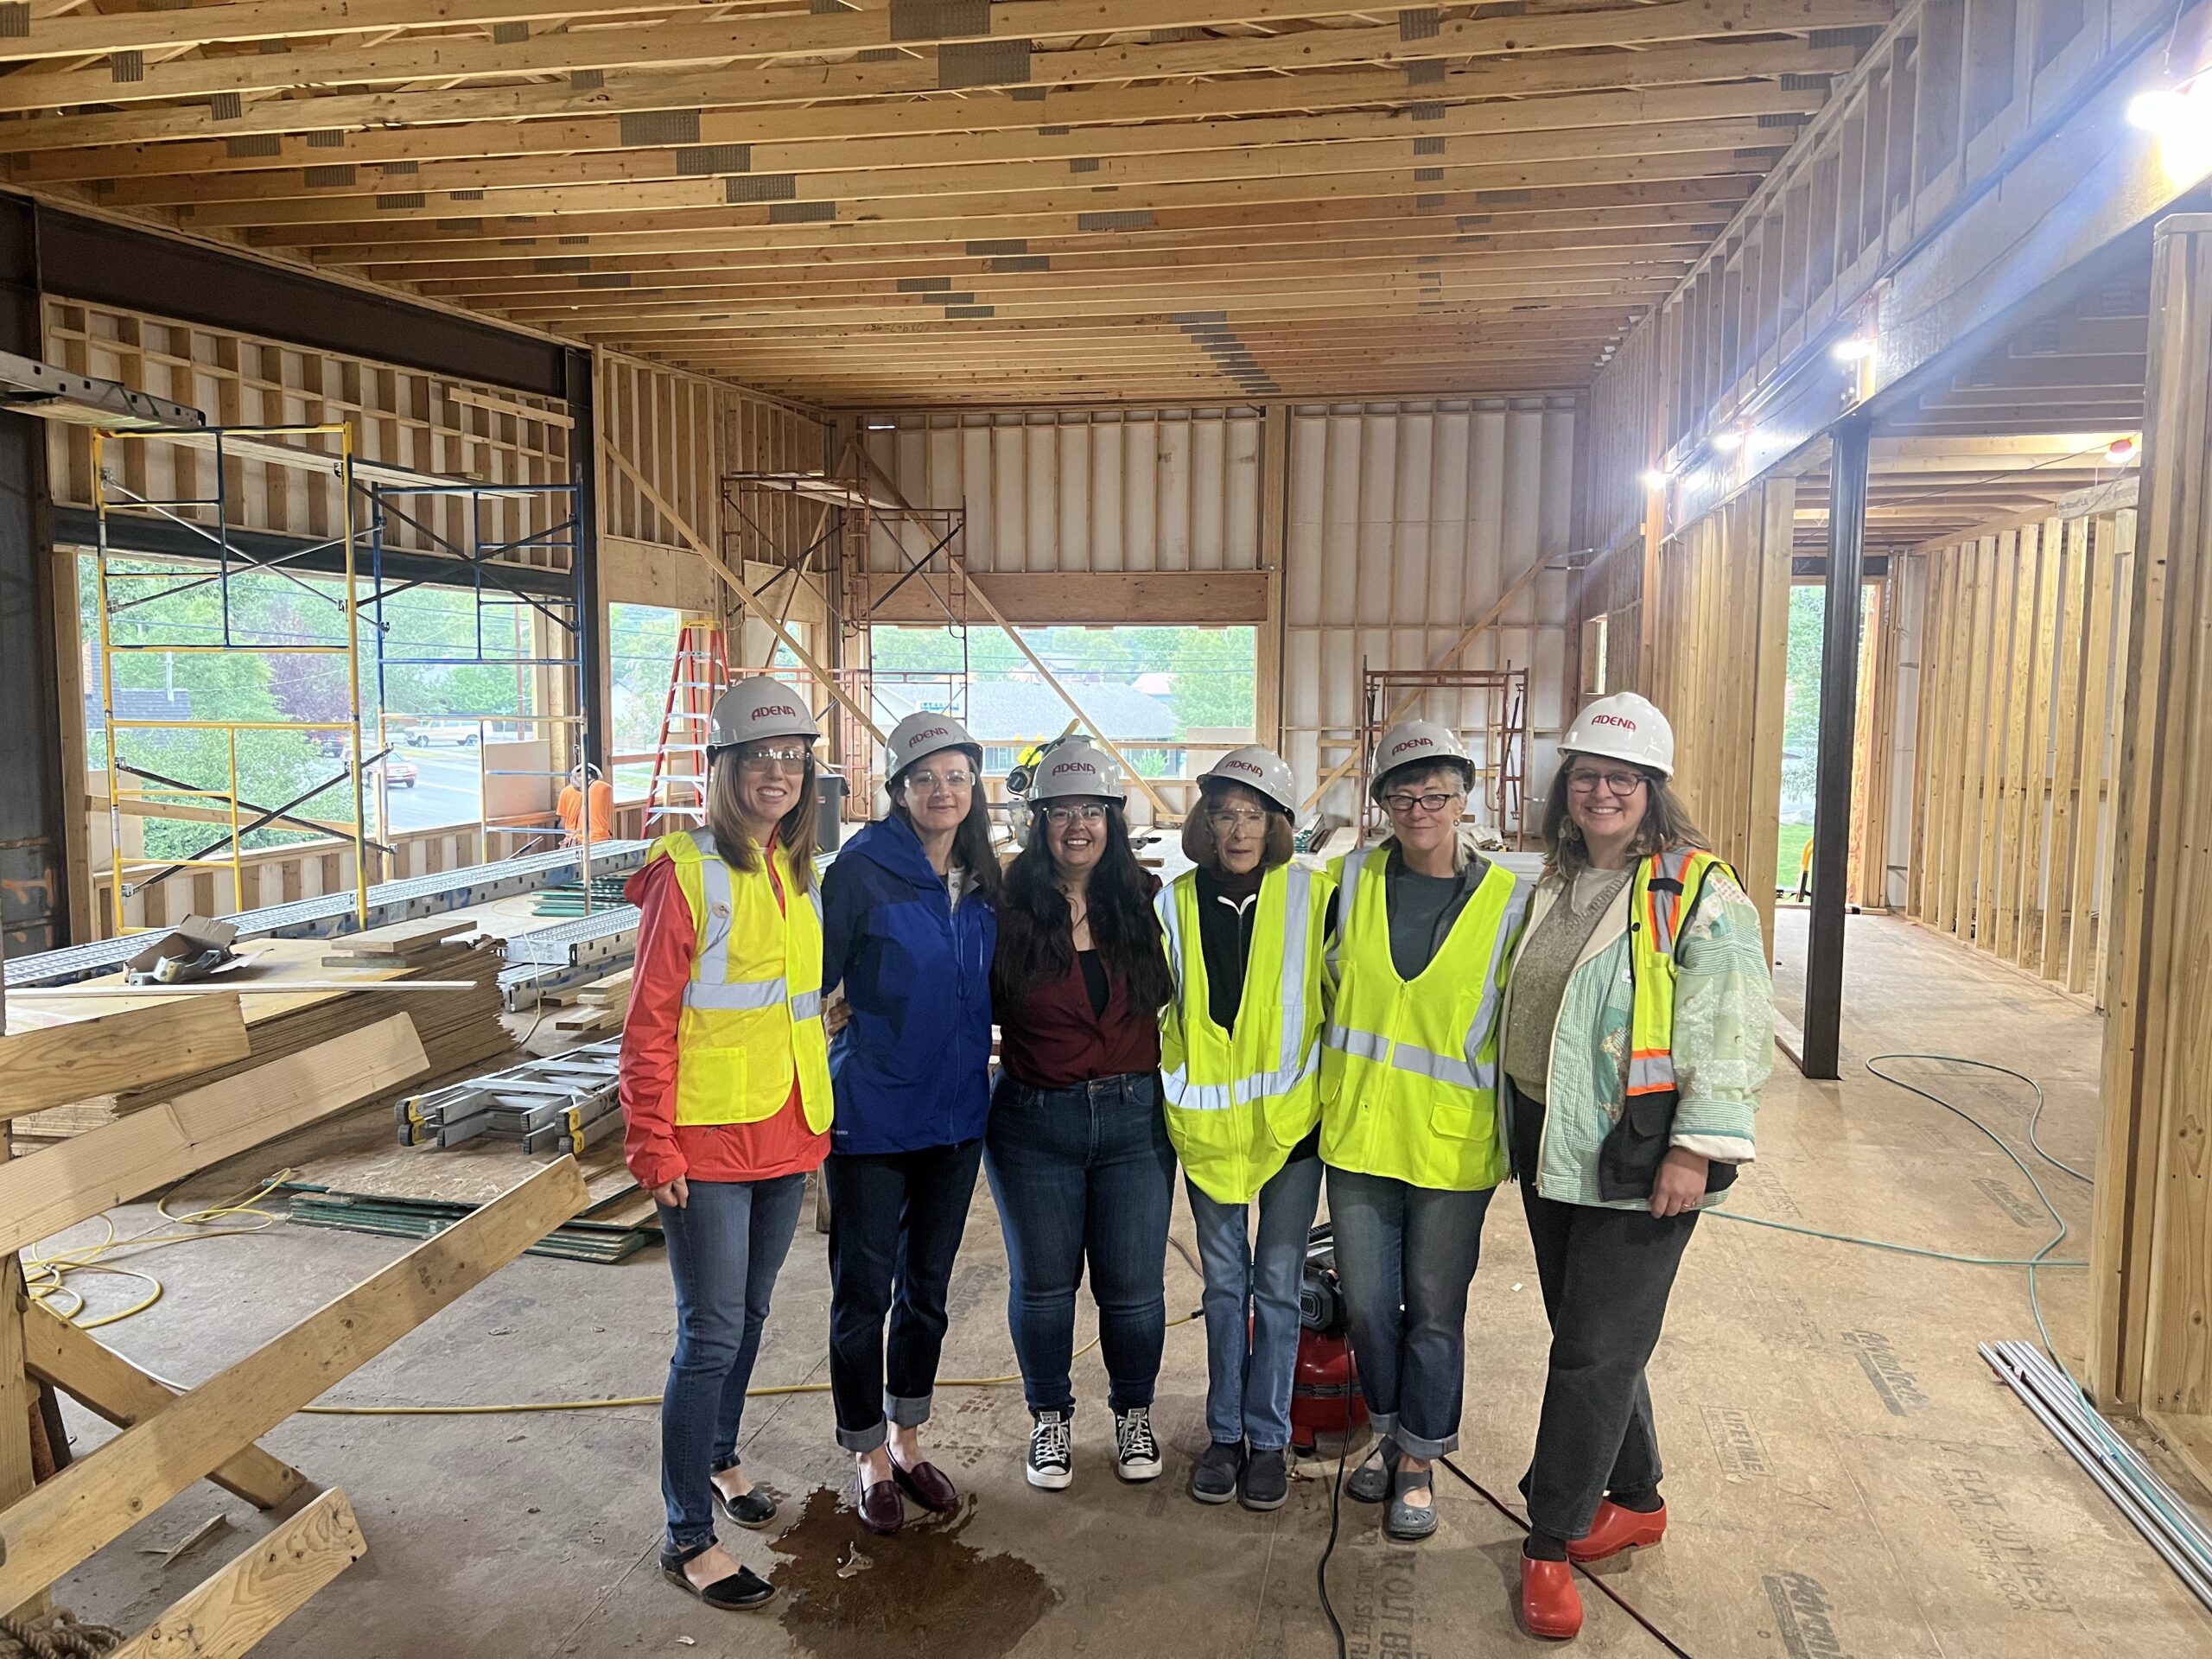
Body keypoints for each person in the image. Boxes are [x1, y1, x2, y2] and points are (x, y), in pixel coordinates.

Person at [1499, 692, 1770, 1641]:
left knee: (1588, 1352)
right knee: (1594, 1339)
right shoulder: (1557, 879)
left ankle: (1549, 1540)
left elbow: (1731, 1026)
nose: (1601, 793)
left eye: (1621, 779)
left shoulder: (1698, 890)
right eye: (1586, 777)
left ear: (1653, 790)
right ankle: (1638, 1496)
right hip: (1547, 1139)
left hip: (1640, 1151)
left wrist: (1696, 1149)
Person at [617, 677, 832, 1614]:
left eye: (792, 758)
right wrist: (650, 1141)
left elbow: (781, 1004)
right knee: (707, 1335)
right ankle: (686, 1537)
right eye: (759, 758)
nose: (777, 773)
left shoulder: (793, 868)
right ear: (725, 767)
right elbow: (649, 1020)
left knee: (747, 1316)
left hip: (785, 1130)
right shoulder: (689, 872)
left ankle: (719, 1455)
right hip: (705, 1142)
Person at [1325, 718, 1528, 1541]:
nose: (1420, 810)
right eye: (1403, 795)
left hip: (1451, 1144)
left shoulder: (1509, 902)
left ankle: (1418, 1458)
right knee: (1370, 1307)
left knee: (1436, 1311)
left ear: (1464, 798)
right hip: (1360, 1135)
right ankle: (1386, 1429)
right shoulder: (1348, 881)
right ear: (1381, 803)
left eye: (1437, 794)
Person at [818, 713, 1001, 1536]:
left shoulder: (981, 876)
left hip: (957, 1116)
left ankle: (908, 1437)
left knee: (926, 1292)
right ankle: (865, 1452)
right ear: (897, 789)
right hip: (875, 1114)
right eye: (925, 778)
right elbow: (813, 984)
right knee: (863, 1294)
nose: (943, 791)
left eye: (957, 776)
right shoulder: (861, 872)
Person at [986, 739, 1178, 1492]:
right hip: (1034, 1123)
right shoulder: (1006, 906)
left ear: (1112, 819)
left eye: (1091, 811)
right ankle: (1050, 1420)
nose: (1077, 826)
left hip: (1134, 1120)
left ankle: (1133, 1413)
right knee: (1043, 1288)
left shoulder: (1147, 901)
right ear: (1038, 821)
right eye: (1061, 811)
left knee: (1134, 1292)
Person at [1155, 747, 1332, 1513]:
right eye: (1224, 813)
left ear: (1277, 823)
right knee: (1225, 1288)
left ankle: (1269, 1438)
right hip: (1207, 1132)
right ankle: (1225, 1433)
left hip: (1290, 1129)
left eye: (1253, 815)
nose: (1237, 830)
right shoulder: (1172, 903)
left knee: (1279, 1290)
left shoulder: (1315, 897)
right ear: (1205, 821)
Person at [559, 761, 614, 846]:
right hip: (600, 839)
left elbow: (563, 823)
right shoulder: (606, 788)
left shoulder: (566, 791)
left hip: (575, 841)